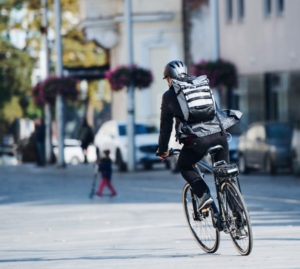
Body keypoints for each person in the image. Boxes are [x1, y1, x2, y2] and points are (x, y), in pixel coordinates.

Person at [156, 60, 241, 210]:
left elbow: (165, 126)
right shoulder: (201, 85)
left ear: (169, 78)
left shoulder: (169, 95)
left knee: (185, 165)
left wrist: (163, 150)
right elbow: (216, 110)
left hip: (196, 141)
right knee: (225, 175)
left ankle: (203, 195)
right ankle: (239, 221)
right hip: (220, 135)